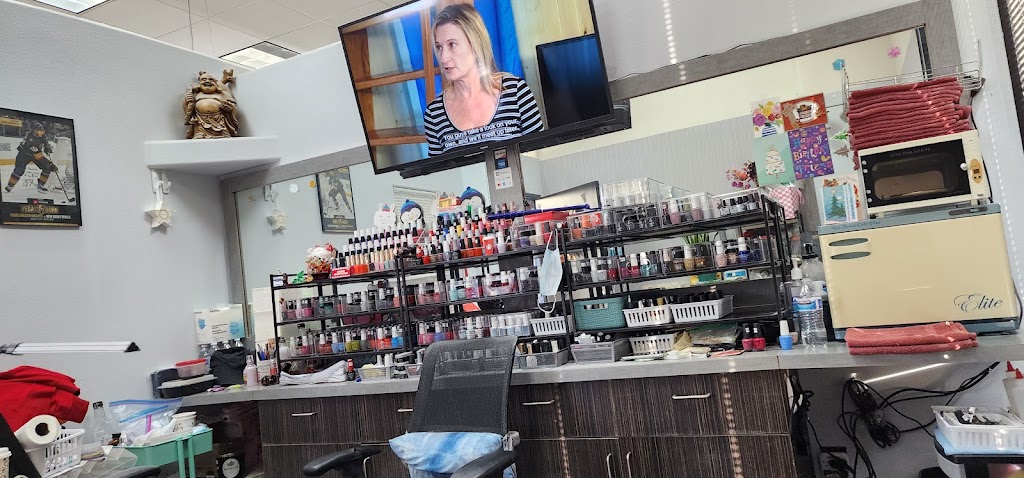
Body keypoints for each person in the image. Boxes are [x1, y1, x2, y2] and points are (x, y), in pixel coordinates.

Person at [424, 3, 542, 157]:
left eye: (452, 45)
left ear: (476, 44)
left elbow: (540, 157)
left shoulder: (516, 92)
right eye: (439, 47)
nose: (443, 57)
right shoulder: (434, 114)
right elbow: (440, 171)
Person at [4, 122, 57, 194]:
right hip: (23, 155)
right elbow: (37, 155)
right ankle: (9, 186)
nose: (42, 132)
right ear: (35, 131)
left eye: (42, 131)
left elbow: (46, 145)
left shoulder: (43, 136)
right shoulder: (29, 137)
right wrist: (49, 164)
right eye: (39, 131)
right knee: (19, 170)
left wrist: (47, 148)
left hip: (34, 154)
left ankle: (40, 185)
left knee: (47, 168)